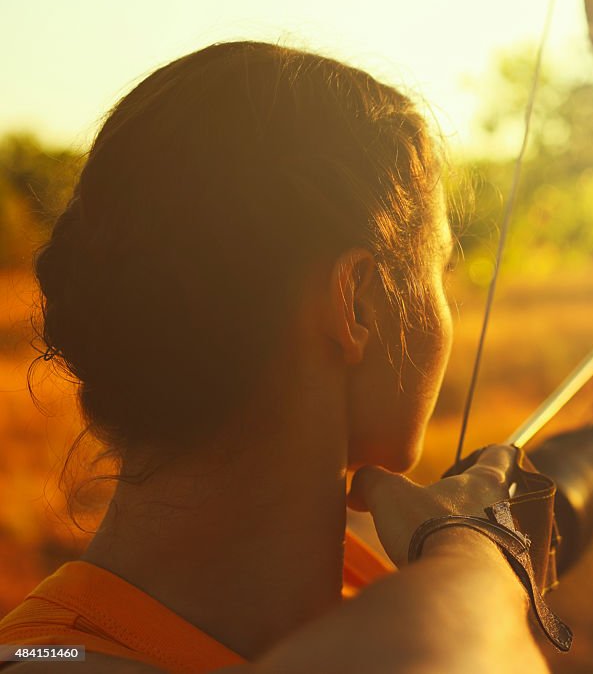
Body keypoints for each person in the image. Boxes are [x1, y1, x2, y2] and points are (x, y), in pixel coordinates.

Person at [0, 41, 549, 673]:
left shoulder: (369, 590)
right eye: (440, 272)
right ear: (357, 302)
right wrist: (476, 551)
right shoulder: (51, 660)